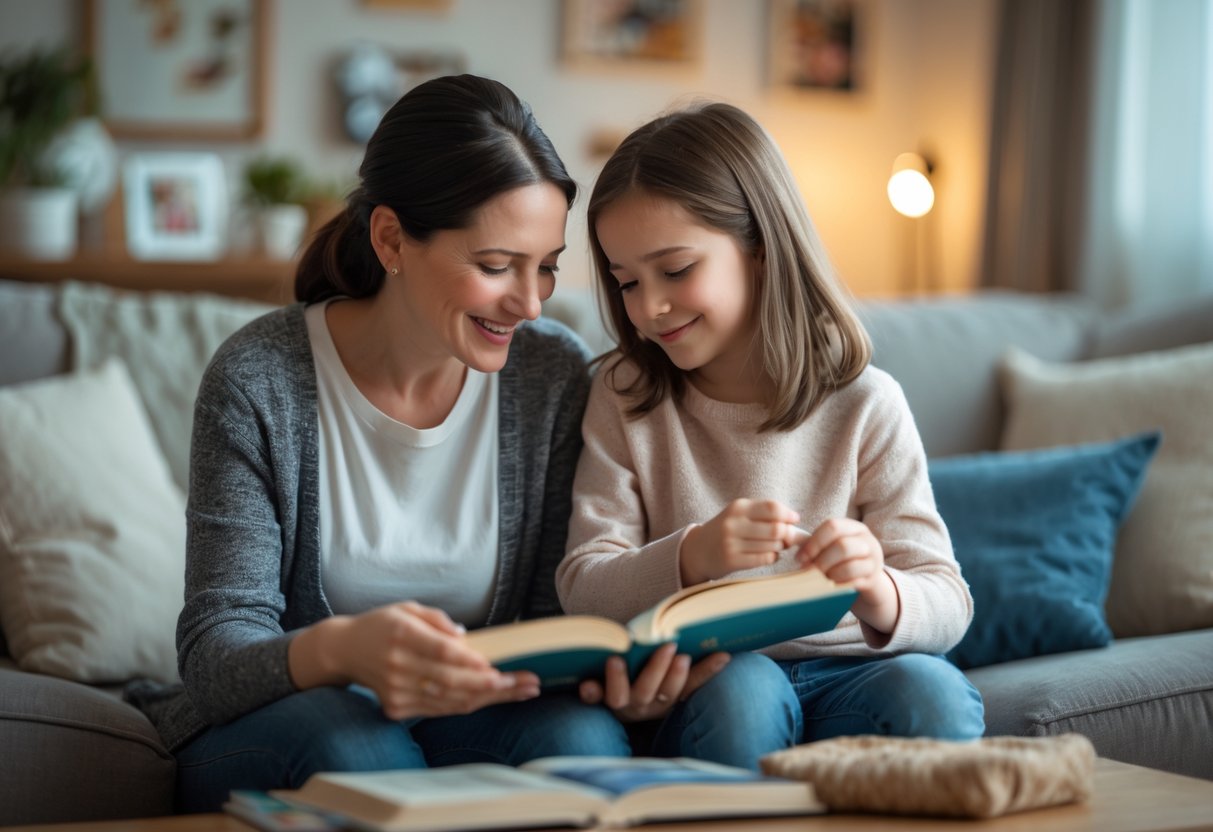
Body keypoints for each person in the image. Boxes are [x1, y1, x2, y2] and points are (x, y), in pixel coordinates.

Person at [136, 75, 639, 813]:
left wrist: (612, 667)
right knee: (362, 751)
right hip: (295, 721)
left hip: (472, 716)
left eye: (548, 267)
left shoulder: (550, 372)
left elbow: (550, 618)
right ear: (391, 239)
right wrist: (344, 651)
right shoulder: (259, 377)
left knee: (583, 745)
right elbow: (216, 652)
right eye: (497, 267)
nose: (529, 303)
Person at [557, 101, 985, 763]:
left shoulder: (866, 402)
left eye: (674, 271)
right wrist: (693, 555)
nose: (648, 308)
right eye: (625, 283)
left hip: (855, 672)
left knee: (932, 694)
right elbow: (582, 584)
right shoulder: (625, 396)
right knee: (745, 693)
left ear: (759, 248)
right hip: (717, 676)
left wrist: (877, 584)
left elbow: (947, 599)